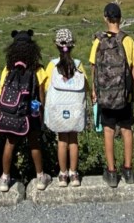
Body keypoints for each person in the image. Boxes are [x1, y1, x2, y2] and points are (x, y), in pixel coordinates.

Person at [90, 2, 134, 188]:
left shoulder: (98, 41)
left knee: (108, 131)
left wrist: (95, 91)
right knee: (127, 129)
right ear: (120, 18)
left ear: (105, 18)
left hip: (105, 95)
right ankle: (128, 170)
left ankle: (111, 172)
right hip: (124, 95)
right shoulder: (128, 41)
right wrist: (131, 92)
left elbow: (93, 68)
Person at [0, 30, 50, 192]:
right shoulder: (38, 70)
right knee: (34, 143)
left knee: (10, 143)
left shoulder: (8, 70)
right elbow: (41, 97)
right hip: (30, 115)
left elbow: (2, 93)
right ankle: (40, 177)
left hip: (12, 113)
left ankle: (5, 178)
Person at [45, 28, 87, 188]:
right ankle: (74, 173)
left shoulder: (52, 65)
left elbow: (45, 85)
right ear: (72, 46)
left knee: (61, 141)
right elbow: (86, 85)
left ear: (56, 45)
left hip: (58, 110)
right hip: (75, 109)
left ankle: (62, 174)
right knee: (73, 140)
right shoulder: (78, 65)